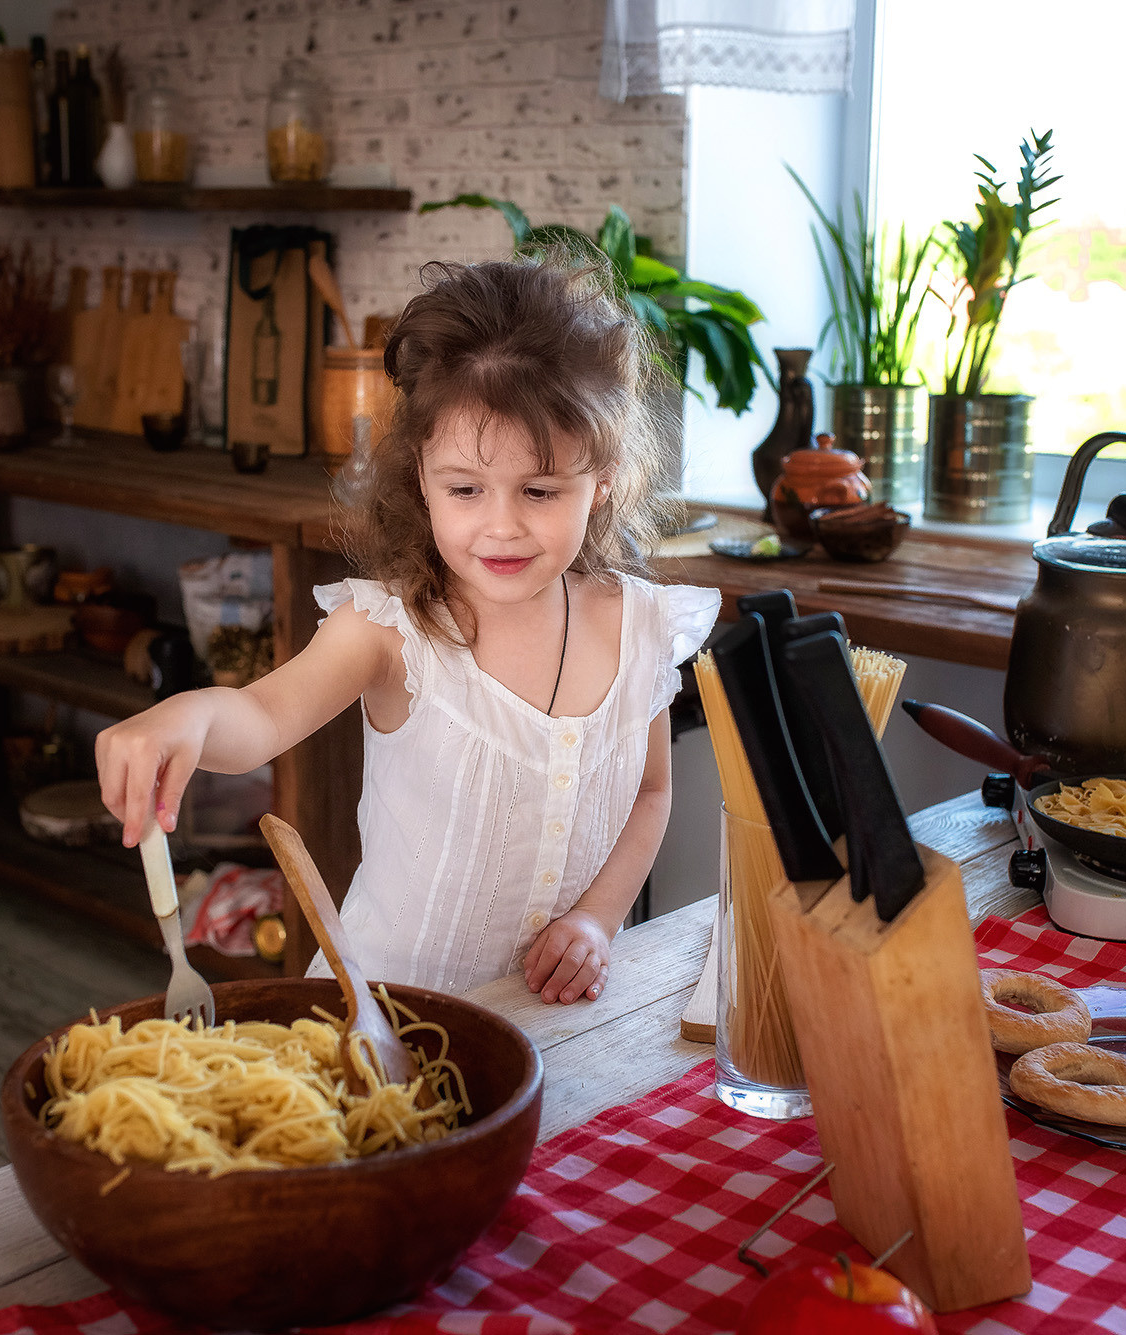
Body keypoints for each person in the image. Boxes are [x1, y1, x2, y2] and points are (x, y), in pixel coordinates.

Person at [97, 258, 718, 1004]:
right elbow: (259, 716)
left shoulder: (639, 627)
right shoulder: (389, 632)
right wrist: (188, 715)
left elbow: (650, 791)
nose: (501, 525)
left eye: (540, 490)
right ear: (422, 478)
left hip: (552, 1026)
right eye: (465, 488)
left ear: (603, 480)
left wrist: (597, 918)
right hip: (377, 1022)